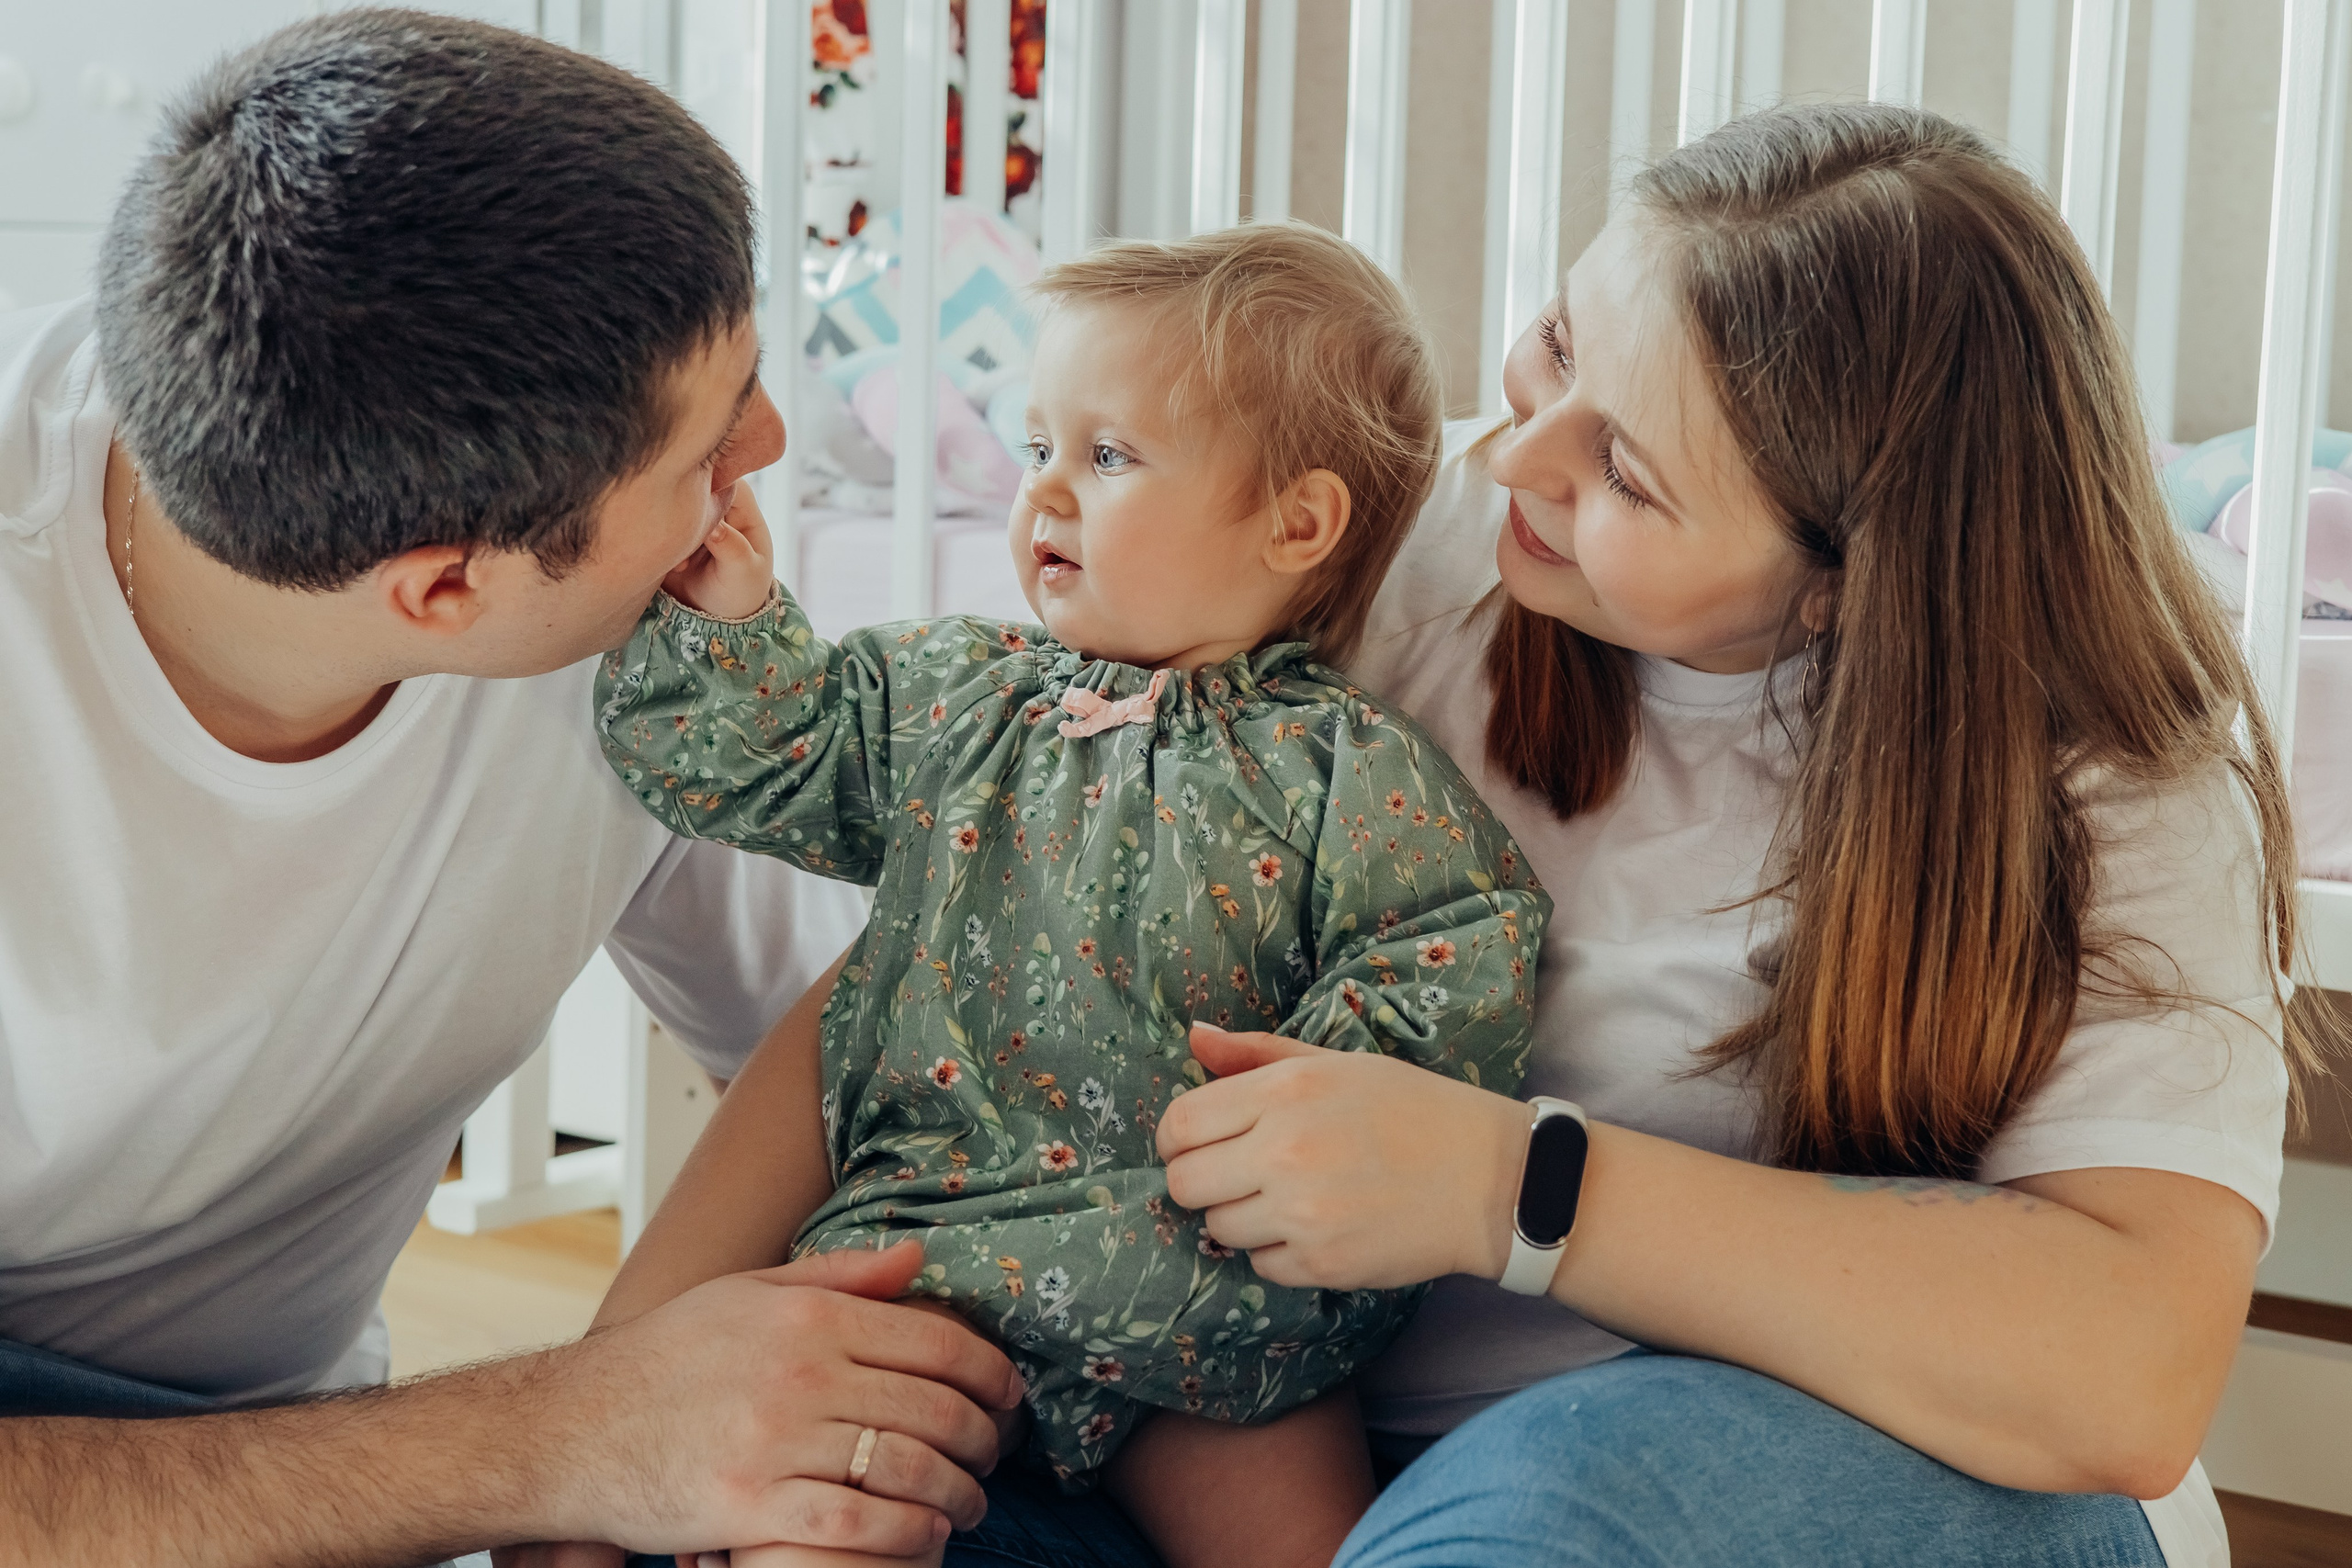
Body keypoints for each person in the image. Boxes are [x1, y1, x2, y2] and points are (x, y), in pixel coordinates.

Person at [711, 103, 2306, 1568]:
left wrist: (1515, 1191)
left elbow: (2125, 1366)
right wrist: (662, 1371)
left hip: (1798, 1454)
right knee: (795, 1500)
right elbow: (955, 959)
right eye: (1559, 347)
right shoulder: (1378, 559)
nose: (1509, 457)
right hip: (1248, 1430)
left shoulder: (2104, 773)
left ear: (1842, 583)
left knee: (1544, 1504)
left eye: (1626, 469)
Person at [0, 11, 1031, 1564]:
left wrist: (646, 1430)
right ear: (443, 596)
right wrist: (571, 1436)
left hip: (297, 1454)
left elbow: (859, 1049)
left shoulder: (656, 634)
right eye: (706, 443)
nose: (769, 443)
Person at [570, 225, 1549, 1568]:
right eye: (1038, 447)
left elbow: (1453, 943)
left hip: (1203, 1299)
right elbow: (777, 753)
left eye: (1109, 456)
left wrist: (1318, 1100)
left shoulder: (1346, 767)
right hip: (935, 1262)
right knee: (819, 1524)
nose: (1045, 495)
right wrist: (736, 618)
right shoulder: (959, 695)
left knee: (1325, 1549)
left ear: (1297, 522)